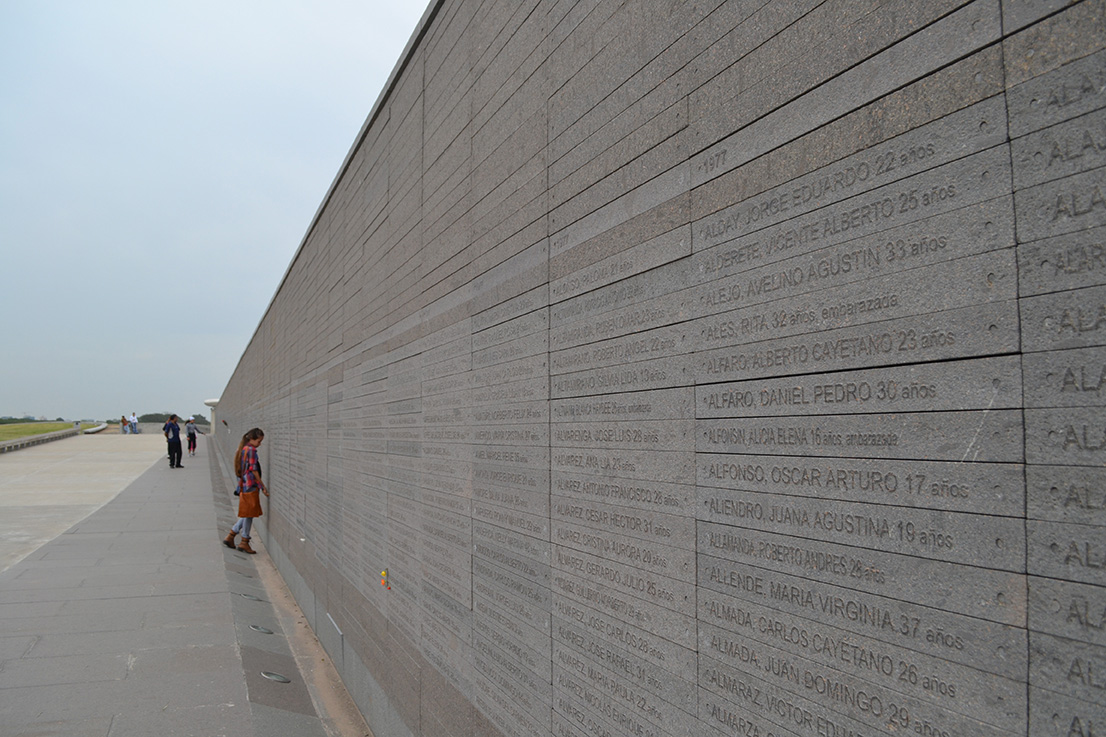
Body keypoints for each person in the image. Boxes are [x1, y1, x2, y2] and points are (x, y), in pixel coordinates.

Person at [223, 428, 268, 554]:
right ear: (252, 439)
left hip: (243, 484)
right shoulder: (252, 450)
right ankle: (244, 541)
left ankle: (232, 535)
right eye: (259, 441)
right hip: (251, 484)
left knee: (248, 512)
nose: (260, 444)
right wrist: (262, 486)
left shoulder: (242, 449)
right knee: (249, 514)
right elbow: (254, 470)